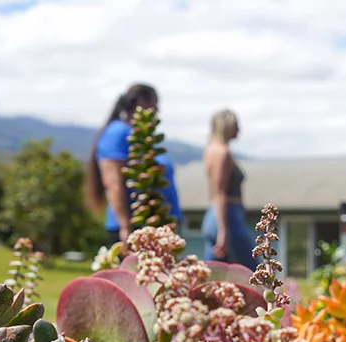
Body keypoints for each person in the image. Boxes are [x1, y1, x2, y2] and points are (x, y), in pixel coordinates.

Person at [85, 84, 183, 252]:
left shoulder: (144, 137)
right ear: (141, 102)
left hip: (158, 225)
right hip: (135, 228)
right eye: (155, 104)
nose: (157, 110)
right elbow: (112, 182)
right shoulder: (117, 132)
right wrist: (125, 226)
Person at [202, 108, 257, 270]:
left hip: (214, 216)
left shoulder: (210, 150)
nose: (239, 130)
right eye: (236, 125)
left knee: (213, 274)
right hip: (228, 218)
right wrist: (223, 230)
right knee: (254, 272)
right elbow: (220, 193)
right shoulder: (222, 152)